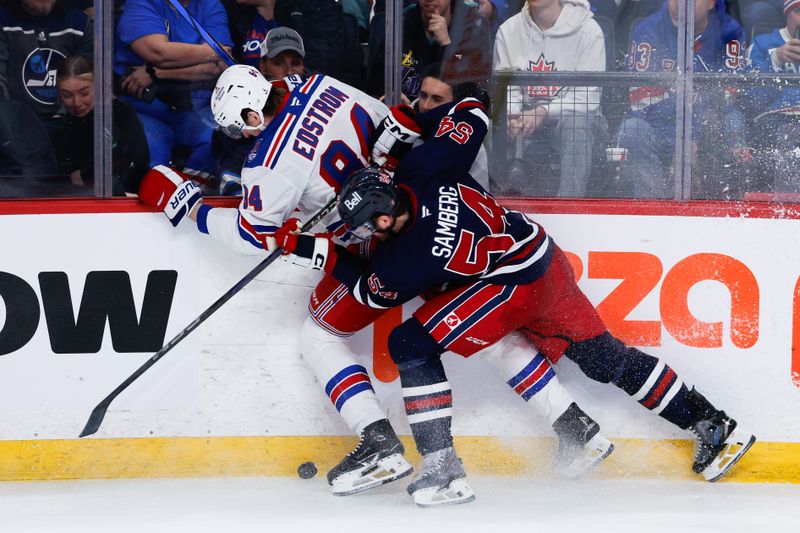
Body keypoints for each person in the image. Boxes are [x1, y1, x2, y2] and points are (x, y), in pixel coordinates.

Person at [138, 64, 614, 499]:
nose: (240, 136)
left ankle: (379, 441)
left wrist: (189, 206)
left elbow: (249, 234)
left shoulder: (266, 164)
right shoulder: (320, 84)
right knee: (482, 329)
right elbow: (392, 123)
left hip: (374, 241)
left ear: (250, 113)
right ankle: (576, 428)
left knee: (318, 336)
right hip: (418, 207)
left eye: (239, 126)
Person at [274, 95, 756, 506]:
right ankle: (713, 425)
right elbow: (473, 107)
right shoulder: (421, 168)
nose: (357, 234)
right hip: (543, 256)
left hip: (511, 288)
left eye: (363, 227)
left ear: (382, 222)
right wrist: (414, 120)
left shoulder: (407, 259)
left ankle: (442, 471)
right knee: (603, 357)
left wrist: (310, 249)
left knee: (410, 344)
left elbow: (364, 289)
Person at [616, 0, 747, 199]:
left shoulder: (729, 31)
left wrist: (694, 134)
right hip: (658, 127)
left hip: (708, 129)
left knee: (733, 120)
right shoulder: (648, 30)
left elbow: (729, 97)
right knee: (632, 128)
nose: (680, 5)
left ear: (712, 3)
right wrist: (682, 138)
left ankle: (719, 206)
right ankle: (652, 207)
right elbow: (639, 99)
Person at [493, 0, 607, 197]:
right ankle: (491, 207)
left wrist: (543, 112)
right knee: (484, 122)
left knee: (575, 124)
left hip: (580, 124)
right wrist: (513, 116)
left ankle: (569, 208)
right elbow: (507, 88)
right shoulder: (508, 30)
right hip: (527, 123)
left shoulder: (589, 31)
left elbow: (587, 99)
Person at [114, 0, 232, 183]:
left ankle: (192, 197)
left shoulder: (209, 4)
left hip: (194, 108)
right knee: (151, 156)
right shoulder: (141, 3)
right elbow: (158, 52)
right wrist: (214, 51)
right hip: (147, 107)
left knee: (214, 140)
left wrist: (155, 72)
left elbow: (218, 67)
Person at [0, 0, 93, 180]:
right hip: (19, 133)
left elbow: (93, 83)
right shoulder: (3, 21)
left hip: (70, 124)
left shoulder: (79, 23)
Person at [211, 26, 307, 195]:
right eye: (279, 63)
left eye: (295, 63)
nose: (289, 71)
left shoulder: (316, 99)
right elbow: (233, 190)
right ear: (263, 66)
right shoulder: (240, 114)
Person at [54, 54, 149, 195]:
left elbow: (137, 160)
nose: (76, 103)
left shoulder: (118, 112)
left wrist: (87, 175)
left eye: (84, 93)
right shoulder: (61, 124)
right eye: (67, 95)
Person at [366, 0, 493, 101]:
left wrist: (446, 45)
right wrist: (390, 98)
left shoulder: (473, 25)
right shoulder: (401, 22)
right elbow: (377, 83)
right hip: (405, 115)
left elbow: (476, 89)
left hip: (452, 118)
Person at [743, 0, 800, 192]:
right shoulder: (762, 44)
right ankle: (786, 211)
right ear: (787, 14)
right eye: (798, 11)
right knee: (789, 136)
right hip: (773, 121)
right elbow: (751, 101)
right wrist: (775, 61)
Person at [415, 63, 490, 190]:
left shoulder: (469, 141)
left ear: (455, 104)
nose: (426, 106)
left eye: (437, 99)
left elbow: (476, 197)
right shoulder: (404, 125)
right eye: (423, 96)